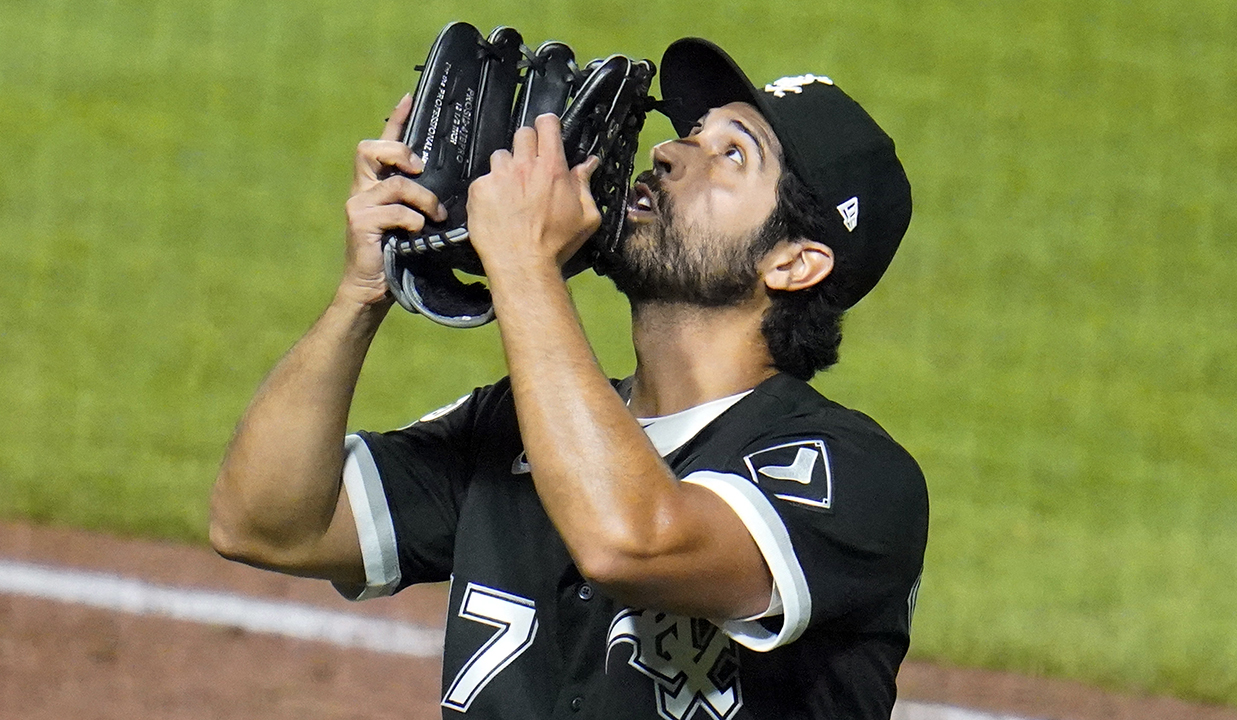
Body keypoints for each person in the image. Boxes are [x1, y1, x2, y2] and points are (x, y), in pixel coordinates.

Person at [210, 36, 928, 720]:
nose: (671, 152)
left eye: (732, 155)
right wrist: (362, 293)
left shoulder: (853, 477)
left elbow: (629, 538)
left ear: (794, 263)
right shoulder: (517, 428)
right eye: (692, 132)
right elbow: (265, 523)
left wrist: (524, 262)